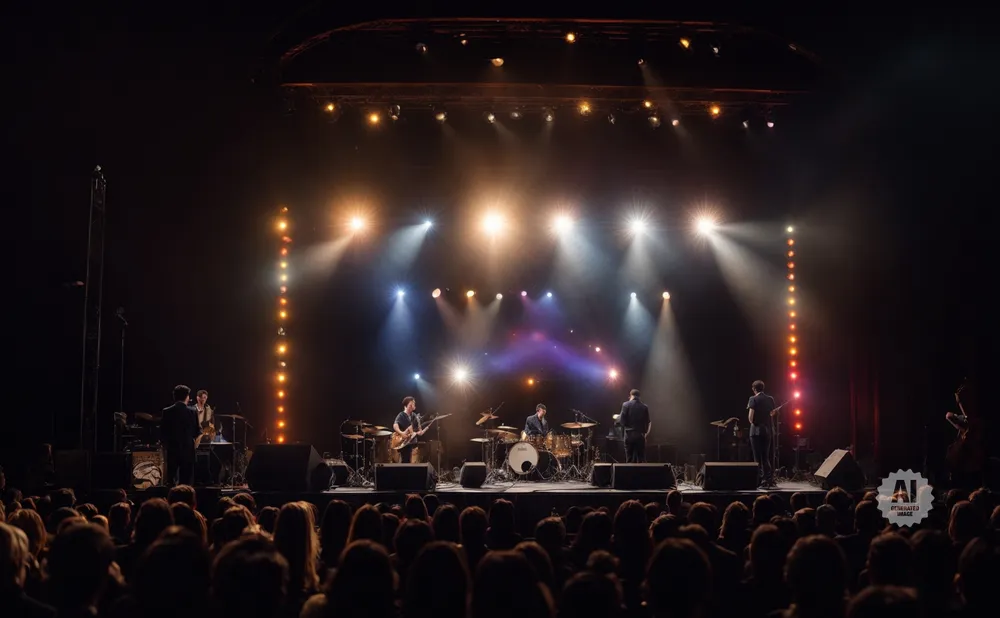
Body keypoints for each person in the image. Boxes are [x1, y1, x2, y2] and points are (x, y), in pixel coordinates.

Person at [160, 385, 200, 486]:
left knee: (171, 480)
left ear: (174, 396)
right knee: (186, 481)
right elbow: (197, 431)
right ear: (187, 397)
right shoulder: (192, 411)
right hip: (188, 449)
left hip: (172, 449)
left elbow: (163, 433)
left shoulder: (166, 411)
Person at [747, 380, 776, 488]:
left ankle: (759, 480)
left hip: (756, 431)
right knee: (766, 456)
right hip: (768, 431)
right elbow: (772, 413)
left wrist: (754, 421)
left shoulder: (753, 399)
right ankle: (768, 479)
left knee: (757, 457)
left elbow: (750, 418)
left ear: (754, 389)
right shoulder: (770, 399)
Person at [619, 389, 650, 463]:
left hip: (629, 435)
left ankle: (629, 474)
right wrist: (645, 434)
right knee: (641, 459)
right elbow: (648, 422)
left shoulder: (625, 405)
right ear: (639, 397)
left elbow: (622, 421)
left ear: (630, 396)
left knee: (629, 459)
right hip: (640, 436)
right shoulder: (644, 407)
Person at [393, 396, 427, 464]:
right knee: (405, 460)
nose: (413, 406)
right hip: (404, 442)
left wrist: (420, 432)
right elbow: (395, 425)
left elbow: (417, 429)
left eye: (413, 404)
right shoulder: (401, 415)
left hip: (412, 442)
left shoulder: (414, 415)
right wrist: (401, 433)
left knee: (413, 461)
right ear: (406, 406)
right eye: (411, 404)